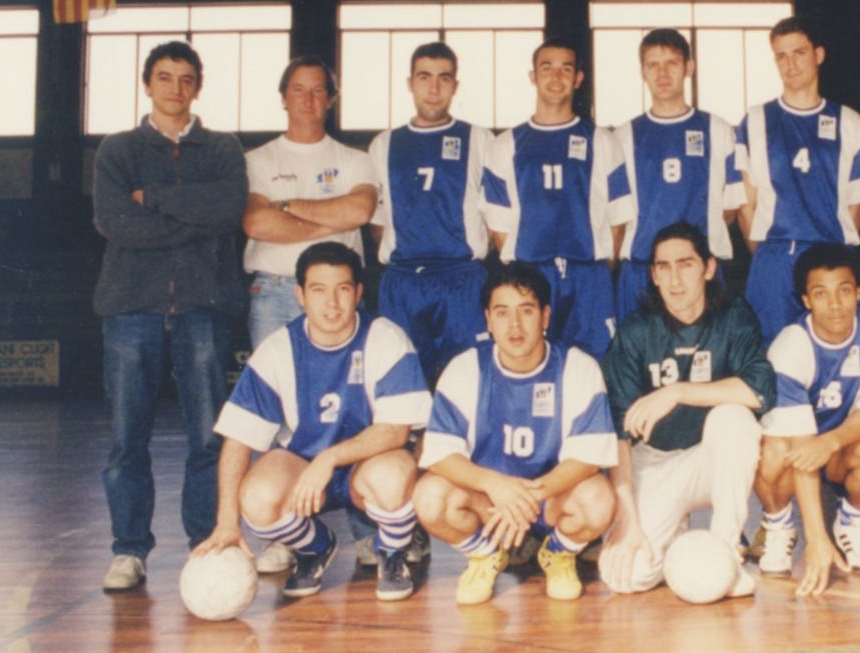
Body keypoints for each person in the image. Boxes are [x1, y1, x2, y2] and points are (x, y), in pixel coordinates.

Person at [194, 242, 431, 601]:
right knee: (257, 498)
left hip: (366, 465)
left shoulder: (386, 339)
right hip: (303, 468)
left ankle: (392, 553)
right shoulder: (278, 349)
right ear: (300, 295)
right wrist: (228, 522)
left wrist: (329, 458)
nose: (332, 303)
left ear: (359, 293)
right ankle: (315, 548)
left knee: (395, 475)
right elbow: (238, 439)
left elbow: (396, 430)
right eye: (319, 290)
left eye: (343, 289)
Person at [92, 41, 246, 590]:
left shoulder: (223, 149)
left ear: (197, 86)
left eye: (185, 79)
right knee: (126, 437)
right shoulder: (116, 149)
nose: (175, 88)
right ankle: (129, 549)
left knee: (207, 437)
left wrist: (151, 197)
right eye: (164, 77)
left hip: (204, 309)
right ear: (147, 84)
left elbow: (227, 212)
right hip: (130, 310)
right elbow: (117, 224)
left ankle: (205, 542)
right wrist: (192, 218)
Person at [242, 55, 391, 574]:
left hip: (338, 295)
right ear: (283, 96)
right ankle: (288, 530)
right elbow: (256, 223)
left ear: (331, 98)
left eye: (317, 90)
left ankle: (369, 530)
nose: (307, 99)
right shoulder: (257, 158)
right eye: (297, 90)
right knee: (276, 417)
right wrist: (320, 221)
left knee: (356, 408)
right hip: (275, 292)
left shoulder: (355, 159)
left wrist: (287, 209)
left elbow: (357, 213)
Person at [414, 263, 618, 604]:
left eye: (526, 311)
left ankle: (557, 553)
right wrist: (497, 487)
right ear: (487, 320)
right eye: (502, 313)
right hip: (490, 503)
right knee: (430, 497)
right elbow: (440, 455)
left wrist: (527, 497)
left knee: (599, 501)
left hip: (552, 497)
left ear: (546, 316)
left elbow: (588, 459)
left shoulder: (577, 367)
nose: (515, 325)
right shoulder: (466, 368)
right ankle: (486, 554)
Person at [597, 222, 774, 597]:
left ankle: (726, 550)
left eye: (685, 264)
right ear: (654, 275)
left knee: (735, 418)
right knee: (627, 577)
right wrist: (627, 516)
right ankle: (675, 533)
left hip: (711, 462)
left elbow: (760, 391)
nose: (675, 279)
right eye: (663, 267)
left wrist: (676, 392)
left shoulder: (732, 316)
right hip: (654, 462)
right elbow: (618, 433)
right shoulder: (636, 331)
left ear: (708, 268)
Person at [753, 244, 860, 594]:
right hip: (800, 452)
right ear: (806, 301)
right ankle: (779, 526)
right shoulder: (790, 346)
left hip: (843, 449)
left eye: (844, 291)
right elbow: (800, 446)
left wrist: (832, 441)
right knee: (769, 451)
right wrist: (815, 539)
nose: (835, 305)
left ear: (858, 292)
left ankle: (853, 521)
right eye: (821, 294)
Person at [483, 37, 635, 358]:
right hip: (531, 274)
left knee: (596, 364)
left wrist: (593, 271)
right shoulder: (506, 144)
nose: (556, 77)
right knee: (532, 361)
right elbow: (498, 227)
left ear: (578, 78)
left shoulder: (602, 141)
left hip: (588, 276)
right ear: (533, 76)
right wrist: (529, 271)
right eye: (546, 68)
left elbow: (617, 219)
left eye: (566, 69)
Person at [735, 17, 860, 341]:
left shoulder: (848, 121)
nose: (790, 64)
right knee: (772, 356)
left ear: (819, 55)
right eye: (781, 56)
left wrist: (834, 256)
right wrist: (771, 256)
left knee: (832, 353)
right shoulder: (755, 120)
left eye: (798, 53)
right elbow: (746, 204)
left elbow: (855, 206)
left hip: (829, 256)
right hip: (775, 258)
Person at [368, 42, 495, 378]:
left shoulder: (481, 139)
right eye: (425, 77)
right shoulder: (384, 144)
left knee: (470, 378)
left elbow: (495, 215)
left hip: (462, 279)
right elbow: (378, 223)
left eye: (444, 78)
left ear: (456, 85)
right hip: (404, 281)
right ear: (410, 82)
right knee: (402, 382)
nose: (434, 88)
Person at [613, 28, 741, 321]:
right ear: (642, 71)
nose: (662, 72)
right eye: (653, 64)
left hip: (700, 270)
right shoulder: (623, 136)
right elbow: (615, 216)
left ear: (689, 67)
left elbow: (730, 207)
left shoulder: (717, 129)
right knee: (639, 362)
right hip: (642, 268)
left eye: (671, 62)